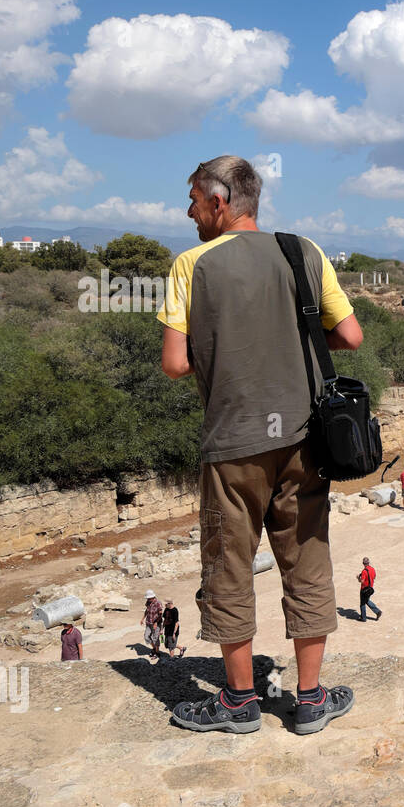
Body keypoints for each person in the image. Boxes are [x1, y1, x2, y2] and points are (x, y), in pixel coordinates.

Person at [158, 155, 360, 735]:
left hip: (232, 443)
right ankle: (312, 699)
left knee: (229, 565)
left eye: (193, 198)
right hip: (304, 438)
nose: (189, 209)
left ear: (220, 203)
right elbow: (350, 334)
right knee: (307, 560)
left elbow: (174, 363)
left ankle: (240, 701)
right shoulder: (304, 251)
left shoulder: (191, 264)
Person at [143, 590, 163, 659]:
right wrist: (142, 618)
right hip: (148, 622)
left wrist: (156, 623)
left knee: (156, 638)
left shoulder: (158, 603)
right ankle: (154, 648)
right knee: (146, 636)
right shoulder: (148, 602)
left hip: (156, 624)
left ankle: (157, 653)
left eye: (148, 598)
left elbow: (160, 614)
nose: (147, 599)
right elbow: (147, 610)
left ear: (152, 597)